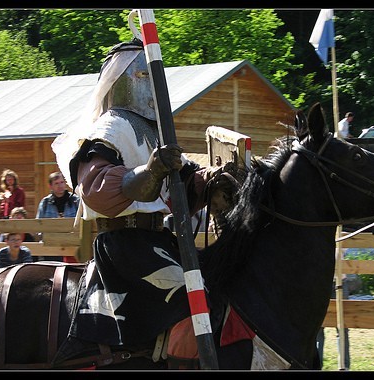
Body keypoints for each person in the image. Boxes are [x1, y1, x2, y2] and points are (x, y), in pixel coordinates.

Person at [51, 38, 235, 365]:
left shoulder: (158, 131)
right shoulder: (111, 127)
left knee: (218, 283)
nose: (149, 85)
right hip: (127, 246)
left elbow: (180, 184)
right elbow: (97, 187)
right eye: (141, 77)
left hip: (160, 240)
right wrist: (151, 169)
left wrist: (210, 182)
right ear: (121, 80)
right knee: (191, 296)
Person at [36, 171, 80, 262]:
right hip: (51, 244)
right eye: (56, 183)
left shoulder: (75, 201)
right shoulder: (45, 203)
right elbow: (39, 226)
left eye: (62, 182)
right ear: (51, 186)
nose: (60, 185)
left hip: (71, 244)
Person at [316, 276, 351, 370]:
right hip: (321, 282)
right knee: (317, 328)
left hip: (340, 281)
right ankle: (316, 366)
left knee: (343, 328)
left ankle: (344, 366)